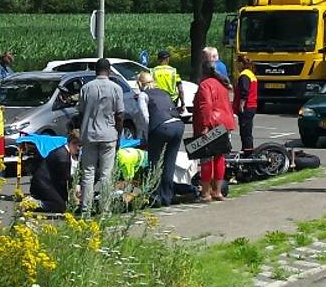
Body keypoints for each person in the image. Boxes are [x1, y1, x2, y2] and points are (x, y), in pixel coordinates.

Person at [76, 58, 124, 213]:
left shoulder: (86, 88)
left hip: (89, 134)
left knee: (88, 173)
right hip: (109, 134)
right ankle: (105, 210)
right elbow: (120, 114)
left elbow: (81, 112)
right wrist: (118, 132)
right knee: (106, 174)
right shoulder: (116, 88)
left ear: (95, 71)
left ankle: (85, 209)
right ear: (109, 71)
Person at [136, 72, 185, 206]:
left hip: (161, 127)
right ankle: (167, 196)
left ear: (140, 84)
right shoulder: (164, 92)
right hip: (178, 125)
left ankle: (155, 197)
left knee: (154, 162)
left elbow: (144, 117)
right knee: (169, 162)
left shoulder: (143, 95)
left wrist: (146, 136)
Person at [194, 61, 235, 202]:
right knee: (219, 158)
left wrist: (204, 126)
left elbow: (206, 106)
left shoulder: (205, 85)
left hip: (211, 124)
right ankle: (217, 191)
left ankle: (205, 193)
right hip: (224, 123)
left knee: (206, 158)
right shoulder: (222, 84)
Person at [29, 130, 80, 213]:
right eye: (75, 144)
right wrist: (75, 192)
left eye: (80, 145)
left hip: (50, 183)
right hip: (42, 185)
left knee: (65, 204)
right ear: (70, 143)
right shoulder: (62, 157)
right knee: (60, 206)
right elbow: (66, 180)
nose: (78, 148)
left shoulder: (68, 154)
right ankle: (34, 203)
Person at [233, 53, 259, 152]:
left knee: (245, 132)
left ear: (241, 64)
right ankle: (247, 149)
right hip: (252, 106)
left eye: (237, 64)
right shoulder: (251, 74)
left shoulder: (244, 75)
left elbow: (244, 91)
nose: (236, 66)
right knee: (247, 130)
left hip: (247, 107)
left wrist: (241, 105)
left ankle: (247, 151)